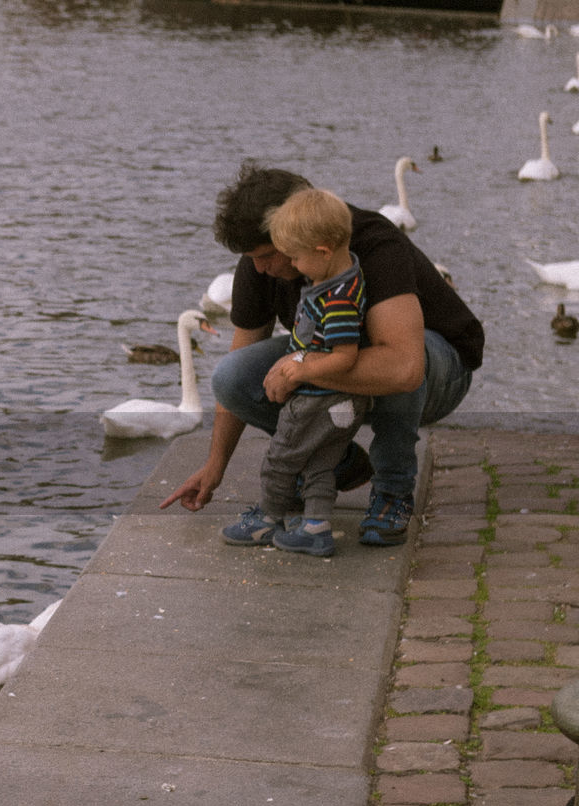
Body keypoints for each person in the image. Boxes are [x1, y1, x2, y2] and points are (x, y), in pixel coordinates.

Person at [161, 162, 484, 546]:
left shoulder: (375, 243)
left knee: (388, 360)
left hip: (438, 367)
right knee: (231, 376)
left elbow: (405, 369)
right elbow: (239, 370)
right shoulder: (259, 263)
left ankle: (393, 489)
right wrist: (215, 468)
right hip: (343, 360)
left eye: (266, 255)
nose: (259, 268)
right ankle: (337, 462)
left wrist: (302, 366)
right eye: (252, 258)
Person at [220, 188, 369, 557]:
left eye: (296, 258)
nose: (293, 266)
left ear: (321, 252)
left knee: (280, 460)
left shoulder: (335, 301)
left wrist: (299, 370)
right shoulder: (348, 279)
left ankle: (268, 519)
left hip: (318, 400)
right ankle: (315, 528)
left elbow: (345, 356)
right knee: (321, 464)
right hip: (344, 405)